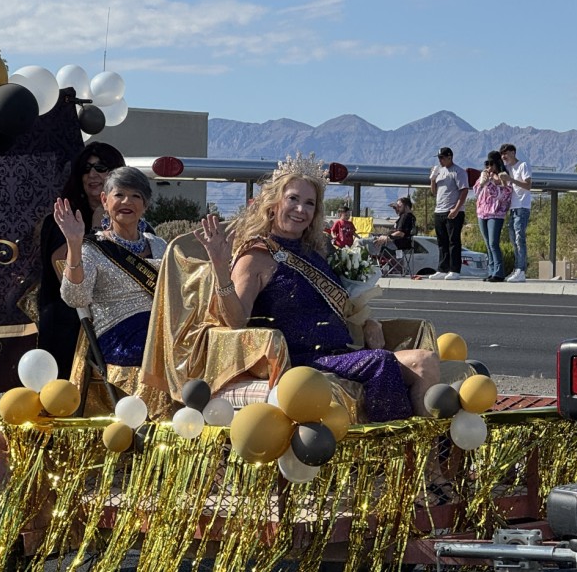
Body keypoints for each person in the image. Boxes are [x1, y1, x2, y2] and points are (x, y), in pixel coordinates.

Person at [193, 154, 441, 422]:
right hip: (301, 361)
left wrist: (368, 321)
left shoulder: (316, 253)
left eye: (309, 203)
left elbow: (339, 307)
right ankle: (388, 450)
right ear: (274, 203)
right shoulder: (256, 255)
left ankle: (427, 459)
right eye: (293, 199)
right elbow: (236, 319)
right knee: (381, 361)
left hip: (342, 352)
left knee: (424, 360)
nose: (301, 209)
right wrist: (220, 268)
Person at [55, 166, 167, 367]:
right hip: (118, 335)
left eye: (136, 196)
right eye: (120, 194)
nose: (127, 201)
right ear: (105, 201)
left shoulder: (159, 245)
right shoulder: (92, 248)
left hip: (159, 329)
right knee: (168, 349)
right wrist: (74, 243)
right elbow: (75, 298)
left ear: (145, 205)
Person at [38, 142, 126, 378]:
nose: (93, 174)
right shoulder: (63, 217)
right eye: (86, 169)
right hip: (70, 329)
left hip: (119, 325)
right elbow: (65, 276)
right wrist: (97, 228)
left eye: (101, 167)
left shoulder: (131, 220)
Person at [428, 147, 469, 281]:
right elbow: (434, 192)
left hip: (452, 211)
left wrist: (456, 209)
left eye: (442, 157)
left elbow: (464, 191)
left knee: (453, 241)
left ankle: (455, 269)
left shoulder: (458, 171)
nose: (440, 160)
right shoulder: (439, 171)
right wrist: (433, 179)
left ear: (450, 157)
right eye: (439, 158)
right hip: (439, 210)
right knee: (442, 242)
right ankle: (442, 268)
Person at [473, 152, 513, 283]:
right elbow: (476, 192)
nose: (489, 167)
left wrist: (492, 182)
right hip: (482, 212)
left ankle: (499, 272)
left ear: (497, 164)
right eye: (486, 164)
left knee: (493, 243)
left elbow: (504, 195)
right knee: (487, 244)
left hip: (496, 213)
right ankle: (491, 271)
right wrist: (482, 182)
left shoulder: (503, 177)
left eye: (491, 164)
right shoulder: (484, 176)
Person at [500, 143, 532, 283]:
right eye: (502, 154)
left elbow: (528, 185)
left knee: (520, 237)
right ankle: (517, 268)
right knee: (513, 238)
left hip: (522, 206)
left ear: (513, 152)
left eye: (506, 153)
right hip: (512, 207)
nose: (504, 157)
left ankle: (521, 270)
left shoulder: (522, 165)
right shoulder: (507, 168)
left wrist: (511, 180)